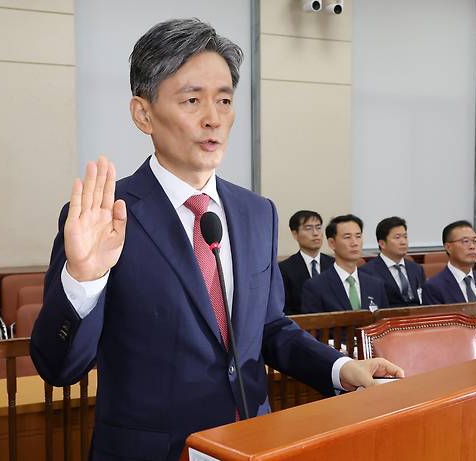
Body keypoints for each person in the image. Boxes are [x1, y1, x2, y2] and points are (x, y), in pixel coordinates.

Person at [29, 19, 402, 461]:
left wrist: (340, 368)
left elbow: (269, 328)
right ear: (143, 113)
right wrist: (84, 280)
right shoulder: (106, 217)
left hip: (249, 443)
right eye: (192, 100)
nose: (214, 118)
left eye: (224, 100)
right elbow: (58, 367)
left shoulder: (256, 213)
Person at [301, 215, 388, 313]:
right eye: (347, 237)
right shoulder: (316, 286)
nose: (354, 243)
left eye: (358, 236)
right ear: (332, 243)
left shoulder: (375, 284)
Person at [423, 220, 476, 305]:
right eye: (465, 241)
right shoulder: (434, 287)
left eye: (475, 241)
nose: (472, 246)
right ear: (448, 247)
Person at [279, 210, 334, 315]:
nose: (315, 233)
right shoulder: (285, 269)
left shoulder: (333, 264)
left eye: (318, 227)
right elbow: (285, 308)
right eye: (308, 228)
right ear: (295, 234)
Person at [362, 216, 425, 307]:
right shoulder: (367, 272)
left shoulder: (416, 268)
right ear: (382, 244)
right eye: (397, 237)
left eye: (405, 236)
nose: (403, 242)